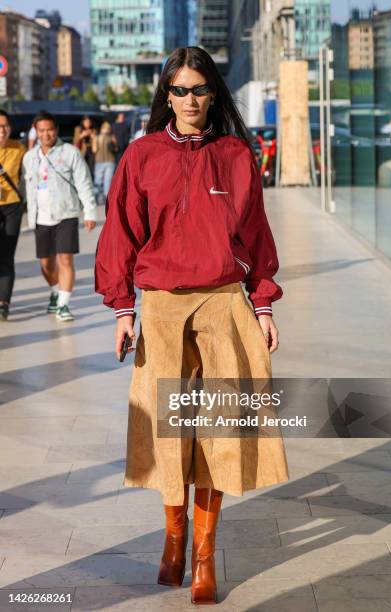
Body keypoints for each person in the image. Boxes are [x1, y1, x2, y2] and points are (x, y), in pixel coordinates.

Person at [95, 46, 290, 605]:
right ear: (166, 95)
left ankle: (205, 554)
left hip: (224, 303)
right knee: (167, 430)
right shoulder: (141, 155)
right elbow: (119, 233)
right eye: (178, 90)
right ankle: (173, 539)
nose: (188, 100)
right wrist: (122, 308)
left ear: (212, 93)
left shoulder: (234, 154)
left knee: (222, 431)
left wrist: (264, 303)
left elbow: (255, 234)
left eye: (198, 89)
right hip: (159, 306)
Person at [23, 111, 97, 322]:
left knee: (65, 258)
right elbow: (26, 187)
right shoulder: (30, 157)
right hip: (40, 217)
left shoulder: (70, 152)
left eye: (50, 130)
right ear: (35, 131)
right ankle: (56, 292)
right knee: (46, 264)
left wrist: (89, 212)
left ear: (56, 130)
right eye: (42, 130)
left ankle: (64, 304)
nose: (46, 134)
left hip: (67, 213)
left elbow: (84, 182)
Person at [0, 110, 26, 321]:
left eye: (5, 126)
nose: (2, 131)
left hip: (12, 207)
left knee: (7, 256)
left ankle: (4, 303)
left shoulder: (19, 149)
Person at [92, 121, 118, 205]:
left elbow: (94, 150)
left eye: (107, 128)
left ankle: (101, 198)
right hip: (105, 161)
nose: (106, 130)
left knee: (103, 180)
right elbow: (94, 150)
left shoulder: (101, 137)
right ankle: (103, 199)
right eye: (105, 128)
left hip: (105, 161)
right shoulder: (107, 137)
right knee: (103, 180)